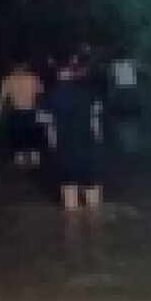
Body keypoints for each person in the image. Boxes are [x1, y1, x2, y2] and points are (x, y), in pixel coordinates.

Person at [46, 53, 106, 211]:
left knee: (70, 209)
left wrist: (54, 148)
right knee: (95, 208)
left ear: (58, 72)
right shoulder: (91, 94)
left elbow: (50, 128)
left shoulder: (52, 96)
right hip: (88, 150)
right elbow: (97, 126)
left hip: (66, 150)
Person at [0, 60, 45, 168]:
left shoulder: (9, 80)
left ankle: (22, 168)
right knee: (32, 146)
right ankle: (33, 169)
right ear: (25, 66)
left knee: (20, 147)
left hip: (17, 113)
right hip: (30, 112)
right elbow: (41, 95)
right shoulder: (33, 78)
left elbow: (1, 100)